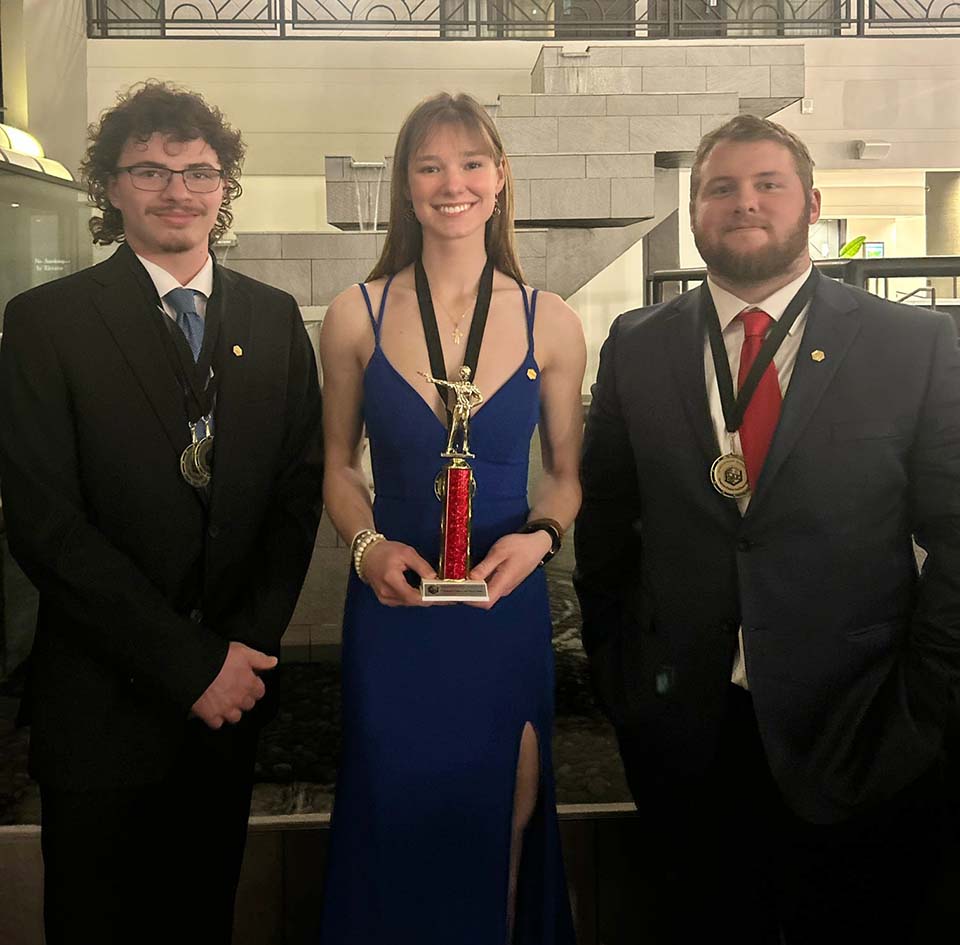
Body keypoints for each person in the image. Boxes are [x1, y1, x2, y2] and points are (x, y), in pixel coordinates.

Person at [574, 114, 960, 944]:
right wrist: (621, 675)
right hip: (685, 737)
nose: (744, 202)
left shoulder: (913, 344)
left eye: (767, 184)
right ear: (694, 210)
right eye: (721, 187)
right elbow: (605, 523)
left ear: (810, 204)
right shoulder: (636, 344)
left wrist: (927, 701)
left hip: (863, 732)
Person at [0, 82, 324, 945]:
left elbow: (297, 498)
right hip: (101, 707)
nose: (177, 190)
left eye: (199, 172)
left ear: (224, 187)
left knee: (201, 922)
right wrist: (191, 665)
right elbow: (44, 525)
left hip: (228, 707)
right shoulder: (45, 323)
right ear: (110, 186)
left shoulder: (273, 319)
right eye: (149, 170)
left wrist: (242, 653)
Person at [318, 92, 585, 944]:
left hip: (503, 609)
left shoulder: (553, 320)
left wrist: (539, 541)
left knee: (506, 813)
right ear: (405, 183)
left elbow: (566, 480)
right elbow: (336, 468)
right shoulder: (355, 313)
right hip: (393, 608)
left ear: (500, 178)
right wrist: (366, 548)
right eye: (429, 165)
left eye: (471, 163)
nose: (452, 183)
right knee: (393, 812)